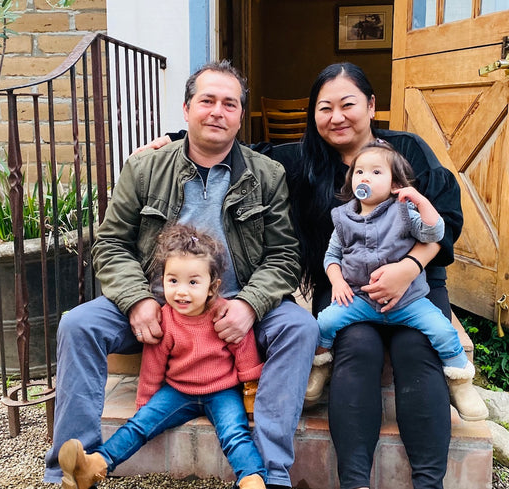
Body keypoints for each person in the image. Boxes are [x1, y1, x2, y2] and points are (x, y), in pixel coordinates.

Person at [142, 62, 463, 488]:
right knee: (356, 350)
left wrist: (408, 268)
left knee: (415, 350)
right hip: (346, 288)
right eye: (324, 107)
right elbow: (246, 149)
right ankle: (354, 482)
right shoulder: (305, 159)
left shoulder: (408, 151)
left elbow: (446, 219)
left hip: (416, 285)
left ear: (370, 105)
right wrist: (179, 140)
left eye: (348, 105)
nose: (337, 117)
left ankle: (428, 483)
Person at [43, 60, 319, 489]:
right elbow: (110, 244)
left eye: (230, 104)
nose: (217, 112)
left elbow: (284, 255)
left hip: (235, 309)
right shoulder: (145, 169)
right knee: (78, 324)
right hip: (158, 306)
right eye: (207, 100)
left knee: (299, 326)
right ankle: (72, 470)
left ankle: (271, 475)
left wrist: (249, 304)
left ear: (241, 117)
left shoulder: (267, 176)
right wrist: (137, 300)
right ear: (187, 108)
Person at [58, 224, 267, 489]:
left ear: (212, 287)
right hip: (178, 391)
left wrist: (250, 388)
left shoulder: (224, 314)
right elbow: (153, 363)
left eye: (193, 282)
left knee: (235, 434)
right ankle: (94, 466)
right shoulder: (165, 318)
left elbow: (244, 347)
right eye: (173, 281)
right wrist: (146, 402)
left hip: (223, 391)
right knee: (137, 427)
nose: (181, 291)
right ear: (162, 280)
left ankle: (251, 478)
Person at [306, 140, 486, 423]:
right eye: (359, 172)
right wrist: (337, 281)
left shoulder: (404, 212)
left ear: (394, 185)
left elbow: (433, 232)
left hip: (407, 301)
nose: (365, 177)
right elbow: (332, 256)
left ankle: (461, 382)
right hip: (361, 299)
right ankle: (320, 366)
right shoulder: (344, 218)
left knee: (442, 330)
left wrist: (421, 201)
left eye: (376, 172)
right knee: (324, 323)